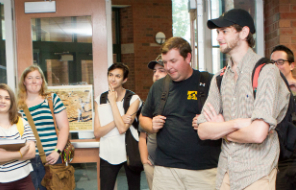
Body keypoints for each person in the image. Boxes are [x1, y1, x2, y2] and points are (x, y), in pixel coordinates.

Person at [198, 8, 291, 190]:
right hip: (226, 170)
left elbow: (257, 134)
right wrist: (237, 123)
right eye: (218, 32)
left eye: (224, 31)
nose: (218, 37)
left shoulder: (267, 71)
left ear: (244, 32)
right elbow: (202, 130)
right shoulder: (219, 77)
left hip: (256, 172)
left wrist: (221, 127)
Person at [139, 37, 221, 190]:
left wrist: (209, 124)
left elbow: (228, 118)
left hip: (204, 171)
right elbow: (143, 117)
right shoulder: (158, 87)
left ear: (188, 57)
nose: (168, 67)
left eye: (173, 61)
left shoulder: (210, 82)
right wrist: (150, 125)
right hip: (166, 171)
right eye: (165, 62)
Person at [17, 65, 70, 190]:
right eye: (30, 78)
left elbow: (64, 127)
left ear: (42, 81)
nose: (34, 81)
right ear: (24, 82)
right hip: (26, 160)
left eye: (37, 77)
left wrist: (57, 151)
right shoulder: (17, 105)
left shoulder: (52, 99)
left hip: (51, 159)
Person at [94, 63, 143, 190]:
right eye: (110, 75)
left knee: (134, 187)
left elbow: (122, 129)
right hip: (107, 152)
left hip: (129, 152)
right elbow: (97, 132)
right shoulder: (99, 99)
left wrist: (113, 103)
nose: (113, 79)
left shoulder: (133, 99)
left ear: (124, 79)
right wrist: (121, 119)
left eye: (118, 76)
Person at [269, 44, 296, 190]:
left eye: (280, 62)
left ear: (292, 65)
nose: (276, 66)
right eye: (272, 63)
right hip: (275, 153)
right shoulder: (268, 91)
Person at [139, 54, 166, 189]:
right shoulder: (152, 98)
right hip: (152, 163)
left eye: (161, 70)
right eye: (155, 71)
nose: (156, 74)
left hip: (173, 165)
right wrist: (145, 160)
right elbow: (143, 135)